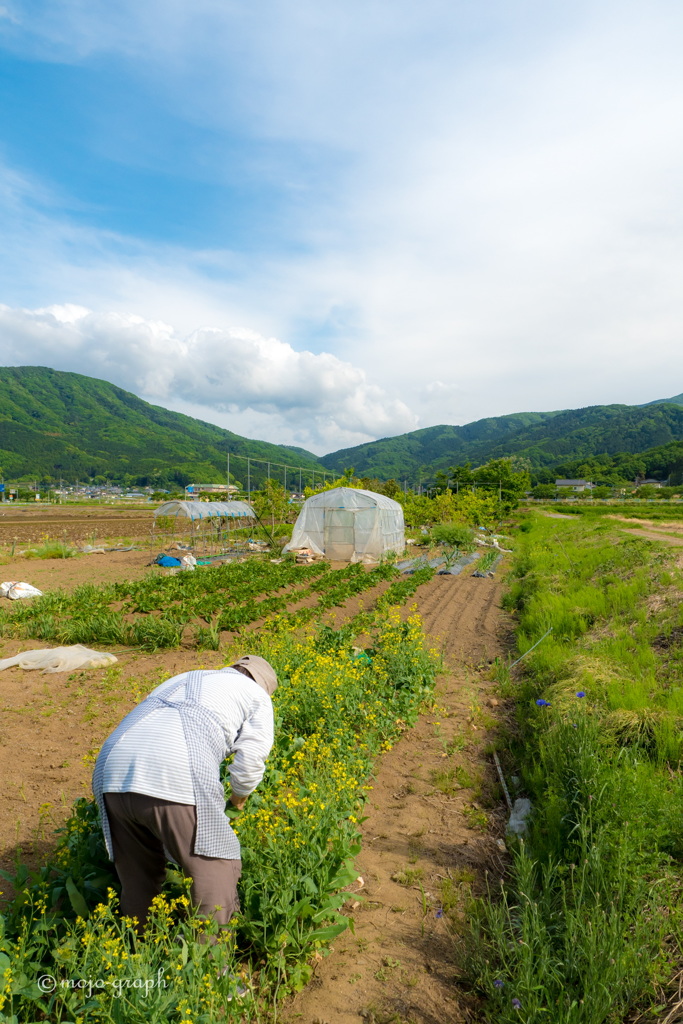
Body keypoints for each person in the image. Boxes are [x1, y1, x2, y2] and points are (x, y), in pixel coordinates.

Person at [92, 655, 277, 929]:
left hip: (111, 768)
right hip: (175, 768)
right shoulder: (256, 694)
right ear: (264, 686)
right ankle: (209, 952)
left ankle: (137, 943)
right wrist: (238, 799)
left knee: (137, 874)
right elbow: (251, 760)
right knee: (216, 868)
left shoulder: (185, 677)